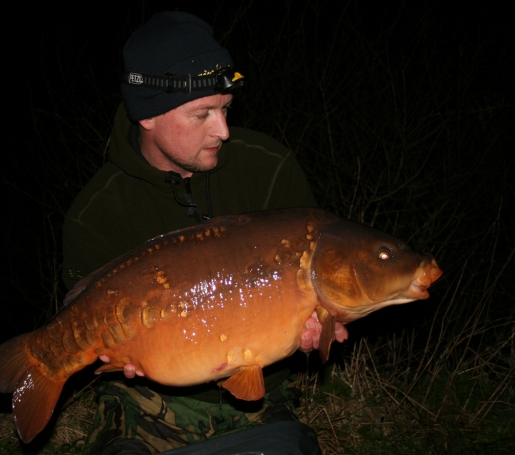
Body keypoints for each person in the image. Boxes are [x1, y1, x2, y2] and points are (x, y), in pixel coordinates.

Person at [62, 11, 348, 455]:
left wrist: (313, 330)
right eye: (202, 114)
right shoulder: (96, 213)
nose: (224, 130)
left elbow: (305, 298)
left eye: (226, 108)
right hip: (147, 398)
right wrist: (120, 358)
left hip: (261, 392)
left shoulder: (269, 167)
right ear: (147, 117)